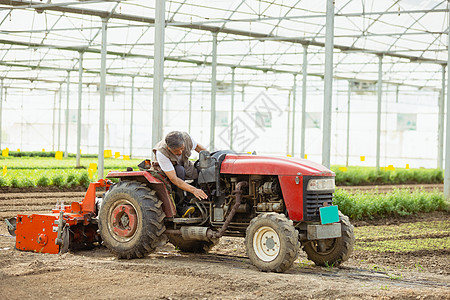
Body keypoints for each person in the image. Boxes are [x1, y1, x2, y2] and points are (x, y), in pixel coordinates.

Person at [152, 131, 208, 217]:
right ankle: (181, 207)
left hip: (184, 163)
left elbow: (198, 147)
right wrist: (194, 190)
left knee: (201, 172)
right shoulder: (161, 153)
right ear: (168, 148)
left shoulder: (187, 138)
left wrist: (210, 158)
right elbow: (174, 178)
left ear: (183, 143)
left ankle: (202, 202)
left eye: (182, 148)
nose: (180, 152)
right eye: (176, 151)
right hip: (167, 171)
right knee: (180, 171)